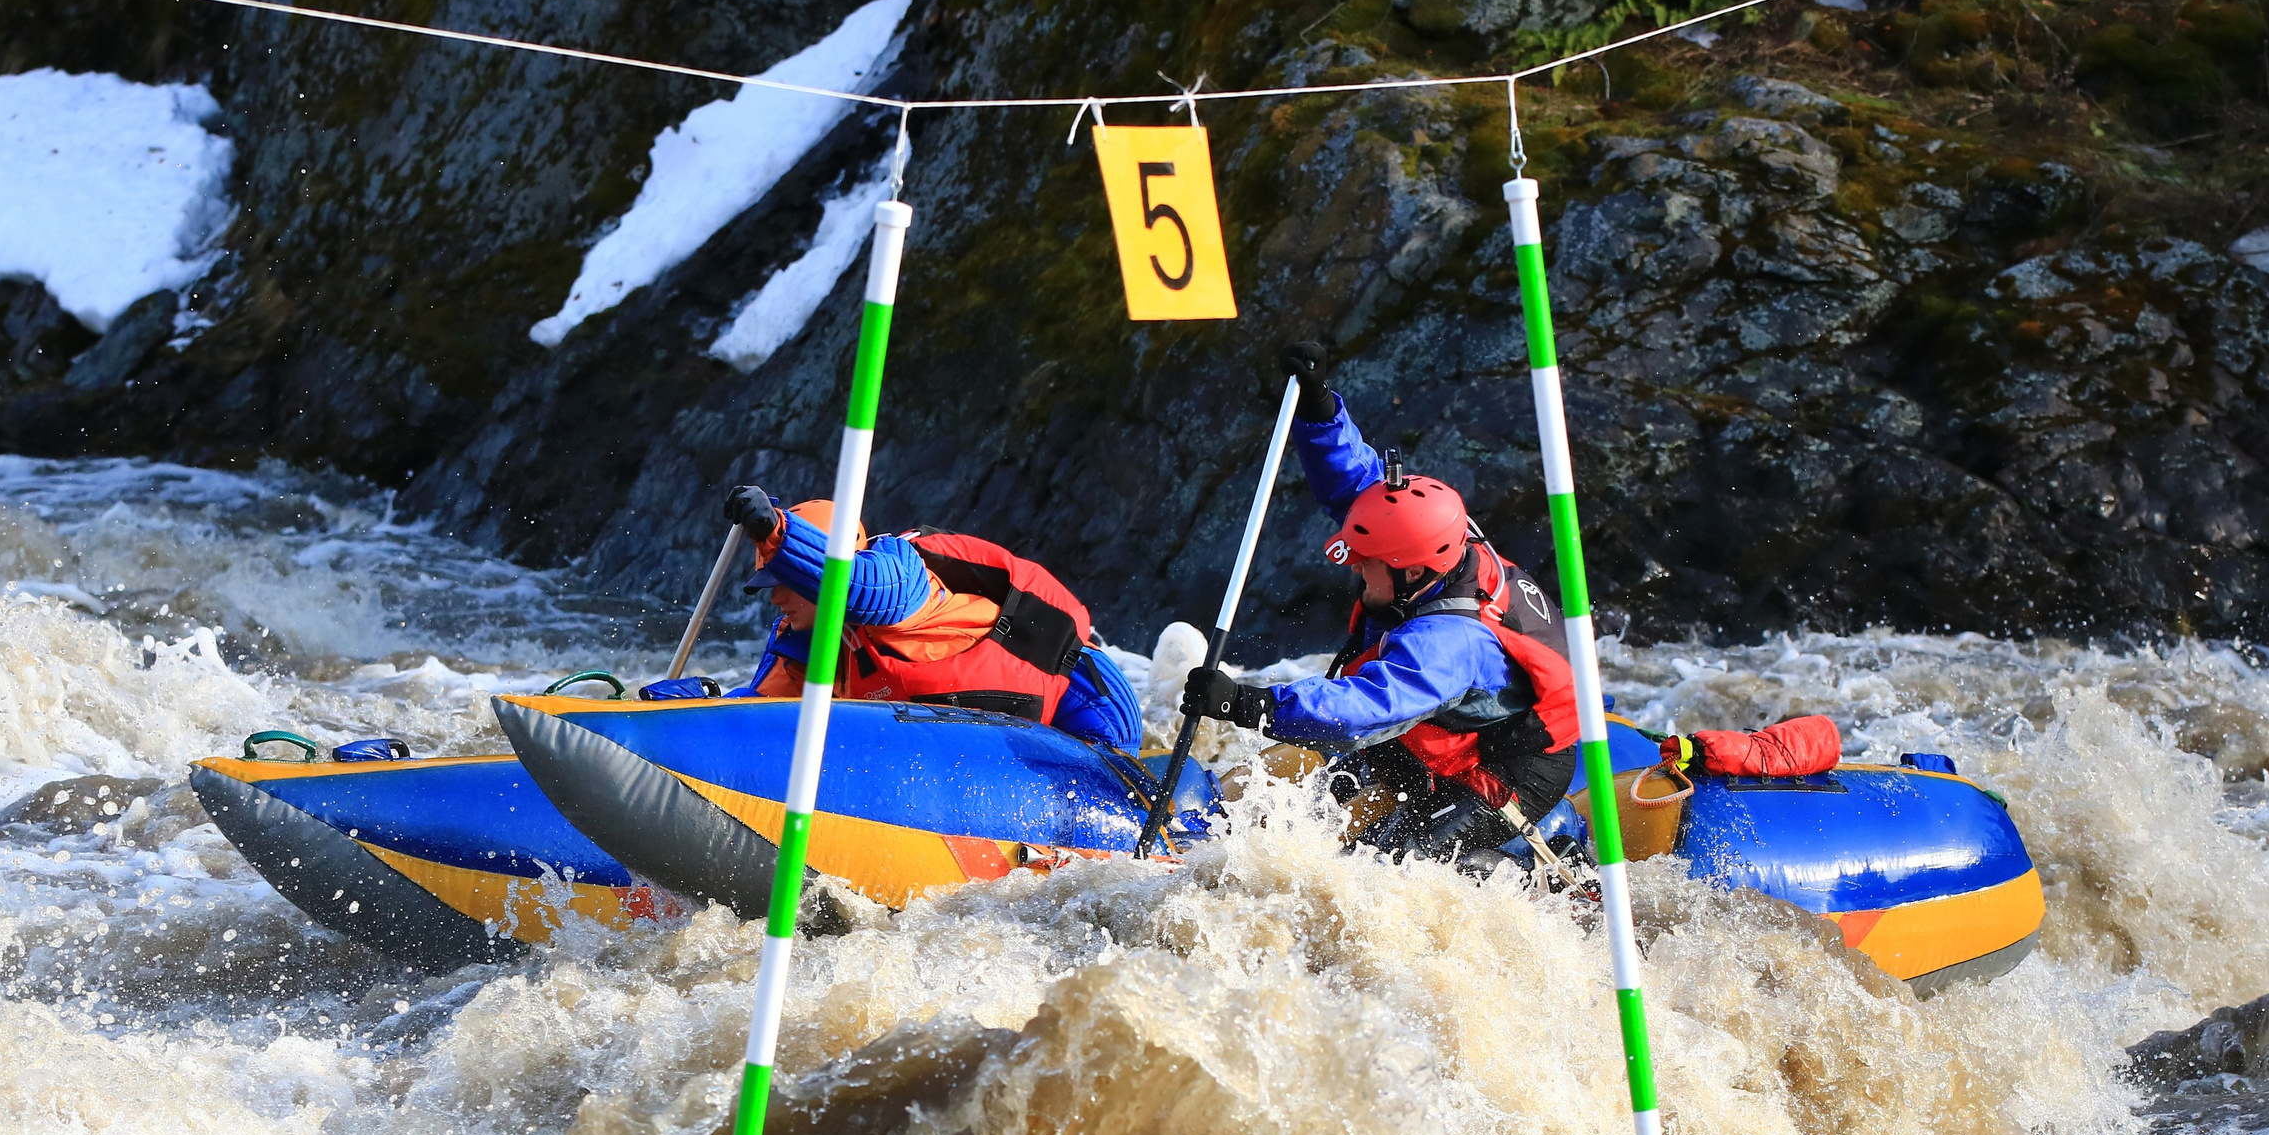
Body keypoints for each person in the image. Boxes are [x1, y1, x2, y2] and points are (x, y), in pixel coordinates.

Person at [1176, 342, 1581, 869]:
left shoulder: (1450, 642)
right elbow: (1359, 484)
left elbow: (1368, 710)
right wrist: (1320, 408)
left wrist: (1250, 705)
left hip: (1511, 767)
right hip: (1445, 727)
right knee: (1324, 796)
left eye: (1366, 562)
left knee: (1390, 865)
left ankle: (1538, 876)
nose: (1353, 566)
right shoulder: (1431, 536)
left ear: (1410, 571)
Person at [639, 486, 1144, 750]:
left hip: (1086, 712)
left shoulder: (905, 578)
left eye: (785, 584)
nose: (775, 601)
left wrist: (774, 533)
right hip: (974, 748)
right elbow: (761, 713)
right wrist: (688, 715)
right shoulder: (805, 640)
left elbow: (861, 589)